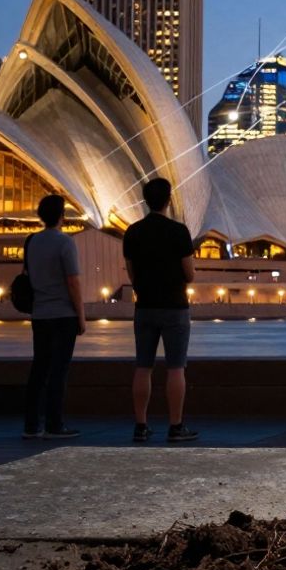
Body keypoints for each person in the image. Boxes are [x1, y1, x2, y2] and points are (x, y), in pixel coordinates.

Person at [123, 178, 199, 443]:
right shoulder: (178, 231)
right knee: (176, 368)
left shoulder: (132, 232)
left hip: (144, 307)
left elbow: (132, 275)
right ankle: (176, 426)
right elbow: (189, 275)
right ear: (169, 200)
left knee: (143, 367)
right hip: (174, 307)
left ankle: (141, 426)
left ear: (145, 200)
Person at [23, 194, 86, 439]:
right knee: (59, 370)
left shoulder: (31, 242)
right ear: (62, 216)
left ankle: (31, 424)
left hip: (39, 314)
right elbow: (73, 282)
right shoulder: (65, 242)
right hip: (63, 316)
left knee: (39, 368)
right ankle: (55, 424)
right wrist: (81, 316)